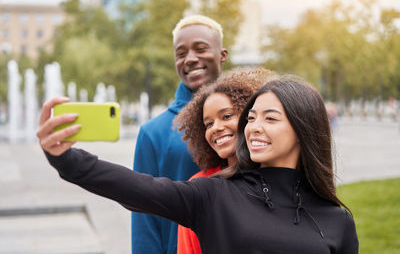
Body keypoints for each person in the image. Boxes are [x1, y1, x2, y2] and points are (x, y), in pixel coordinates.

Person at [38, 75, 358, 253]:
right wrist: (66, 159)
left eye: (270, 118)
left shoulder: (338, 220)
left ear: (303, 128)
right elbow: (137, 187)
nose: (254, 127)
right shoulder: (213, 195)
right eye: (252, 117)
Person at [131, 15, 228, 254]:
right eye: (181, 53)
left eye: (201, 49)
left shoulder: (250, 117)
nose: (190, 59)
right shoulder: (153, 132)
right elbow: (144, 217)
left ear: (222, 55)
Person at [174, 67, 273, 254]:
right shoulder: (200, 188)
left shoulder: (282, 179)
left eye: (227, 116)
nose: (215, 128)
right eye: (208, 124)